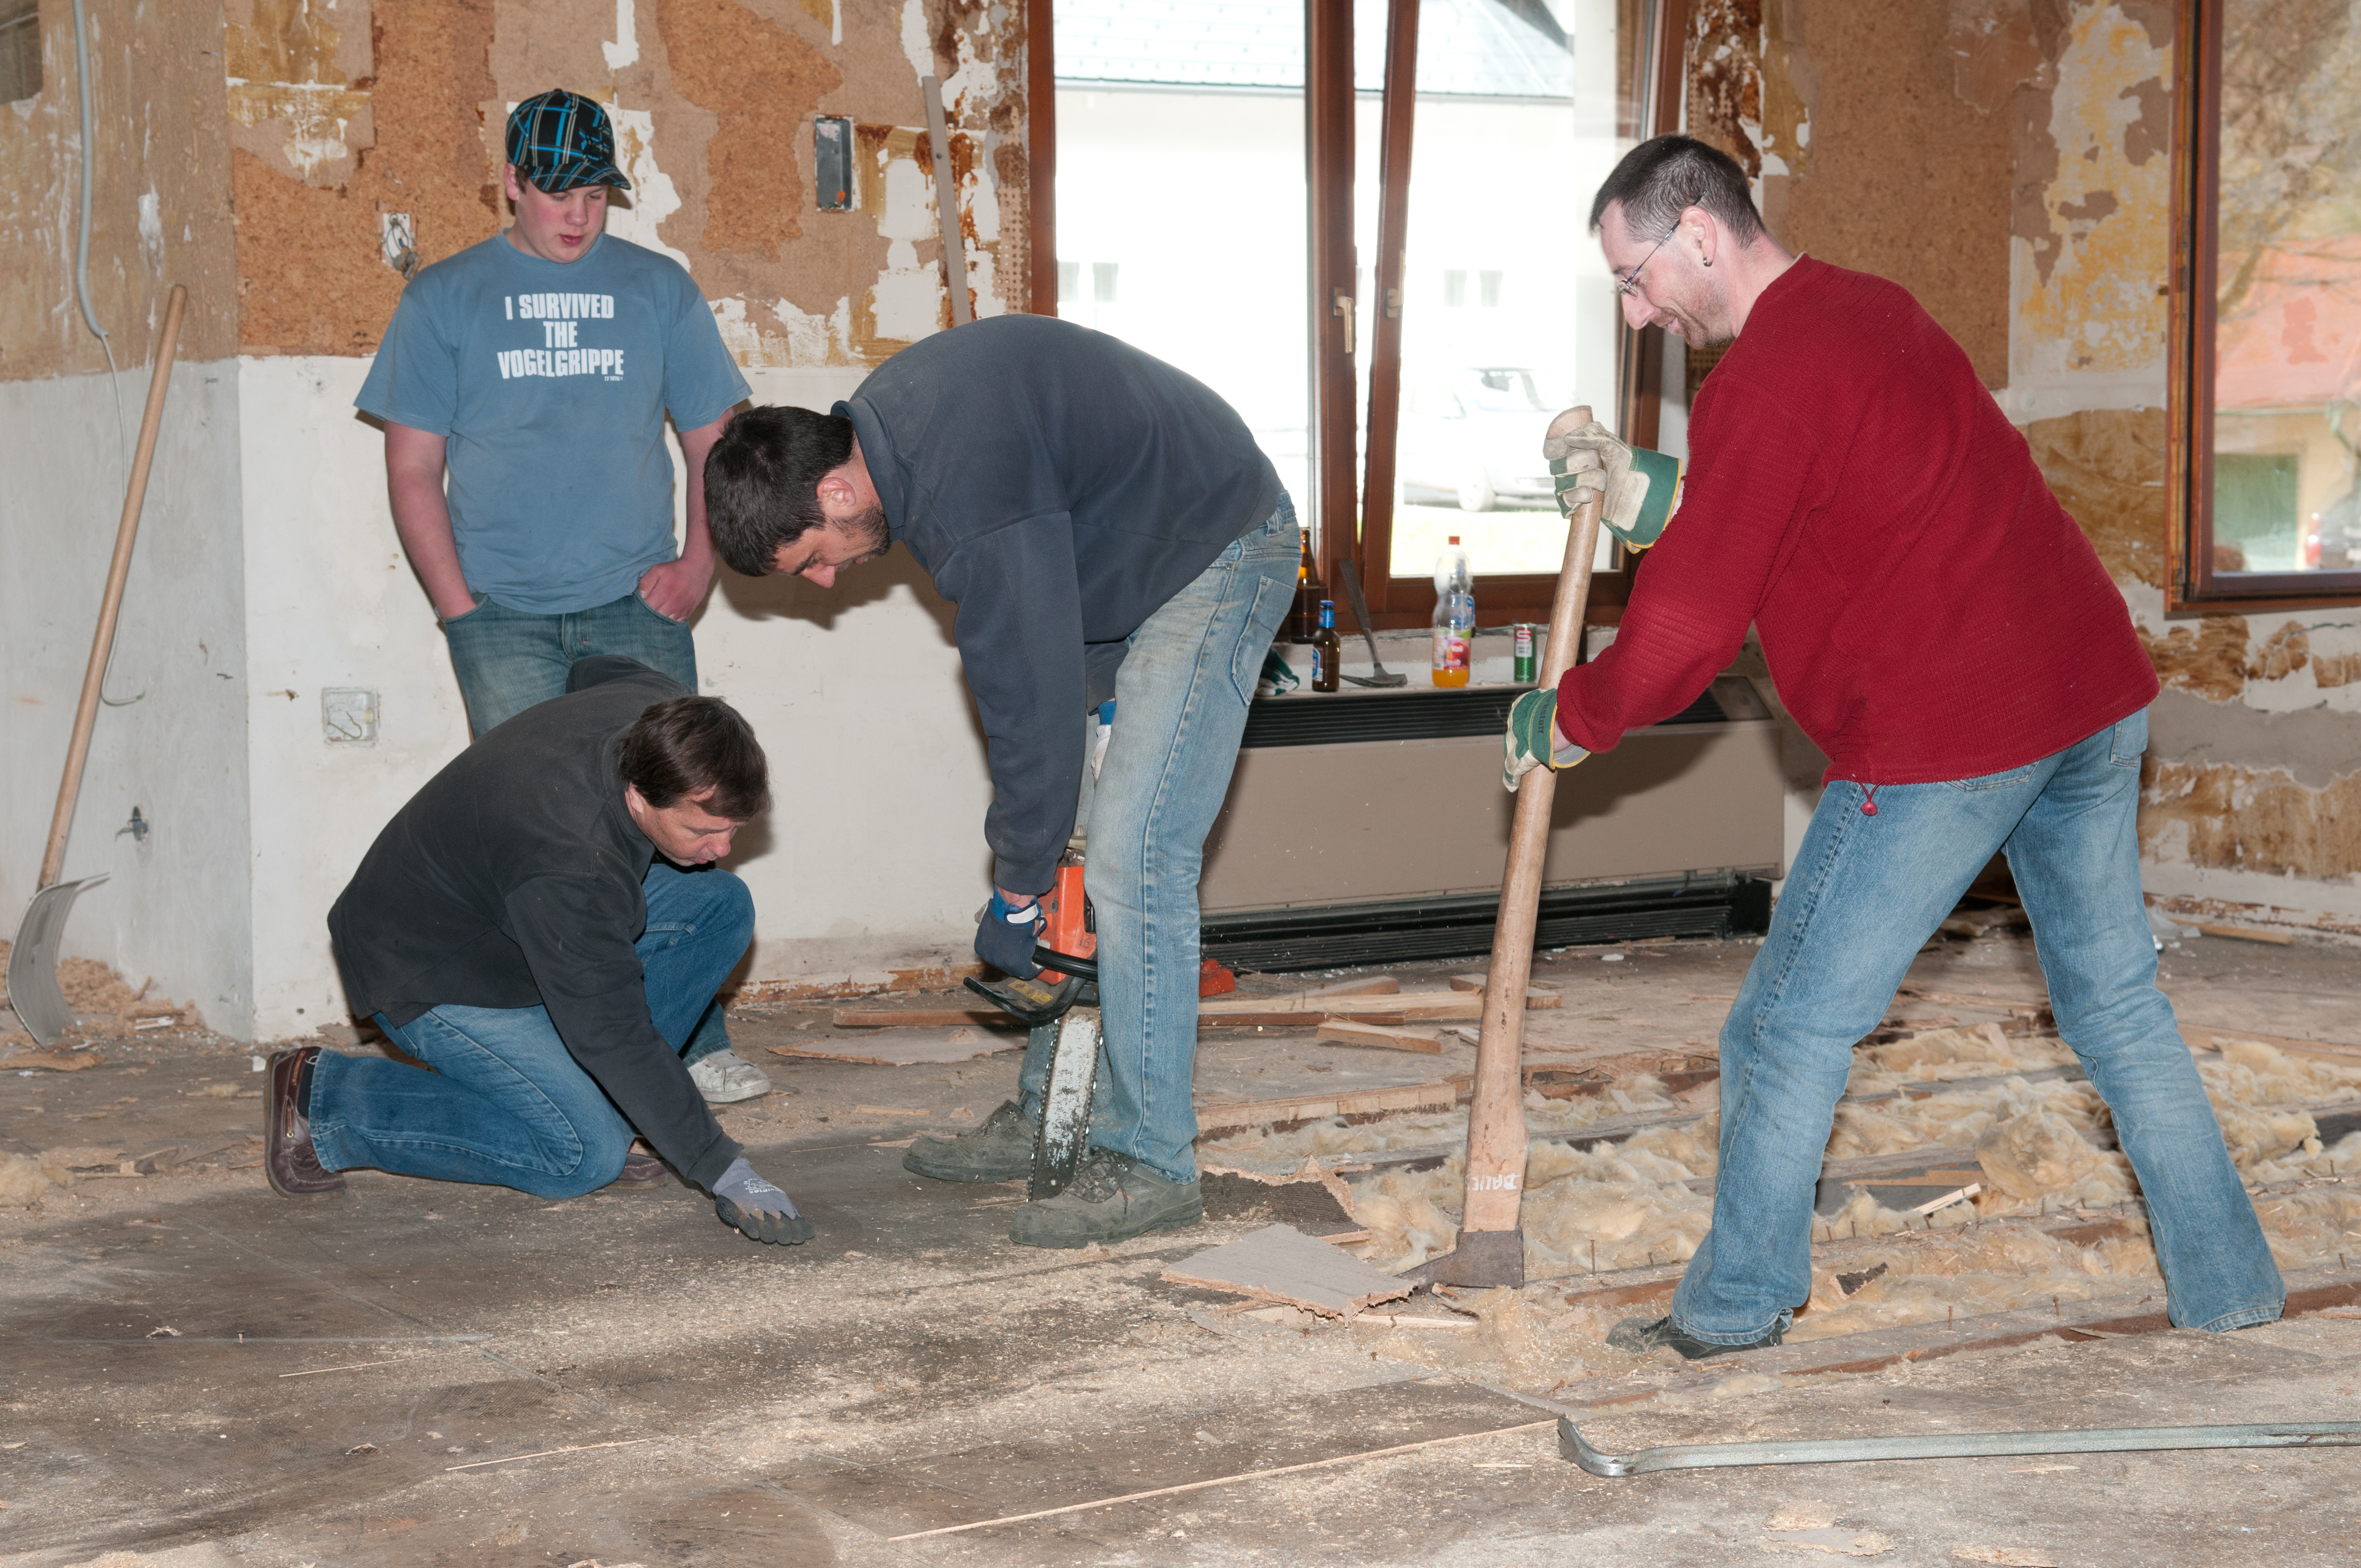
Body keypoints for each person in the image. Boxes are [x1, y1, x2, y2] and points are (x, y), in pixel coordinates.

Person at [1503, 135, 2283, 1356]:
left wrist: (1570, 715)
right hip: (2086, 699)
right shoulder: (1868, 311)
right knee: (2116, 1010)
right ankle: (2230, 1287)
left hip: (1951, 737)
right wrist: (1646, 489)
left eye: (1633, 278)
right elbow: (1810, 503)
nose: (1636, 312)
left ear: (1698, 233)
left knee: (1783, 1031)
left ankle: (1733, 1308)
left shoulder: (1759, 380)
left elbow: (1690, 629)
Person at [701, 314, 1297, 1248]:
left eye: (811, 555)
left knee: (1134, 859)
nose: (823, 580)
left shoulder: (962, 484)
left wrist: (1014, 883)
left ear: (835, 488)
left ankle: (1152, 1162)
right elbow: (1038, 639)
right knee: (1072, 845)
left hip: (1216, 549)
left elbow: (1026, 697)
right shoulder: (893, 441)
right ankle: (1049, 1112)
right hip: (1125, 561)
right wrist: (1035, 857)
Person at [356, 87, 765, 1105]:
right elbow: (413, 468)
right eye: (554, 193)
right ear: (511, 182)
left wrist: (699, 564)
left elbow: (713, 444)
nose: (577, 215)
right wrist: (460, 608)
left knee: (681, 813)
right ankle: (550, 1046)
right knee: (539, 835)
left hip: (637, 603)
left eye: (594, 194)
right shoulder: (444, 298)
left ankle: (692, 1036)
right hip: (502, 613)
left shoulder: (658, 289)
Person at [265, 656, 812, 1247]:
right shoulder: (573, 864)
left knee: (719, 903)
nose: (722, 847)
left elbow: (592, 670)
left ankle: (612, 1104)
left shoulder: (656, 707)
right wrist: (719, 1164)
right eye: (702, 831)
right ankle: (330, 1102)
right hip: (427, 962)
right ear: (638, 794)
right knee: (581, 1154)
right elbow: (611, 1030)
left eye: (734, 828)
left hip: (506, 907)